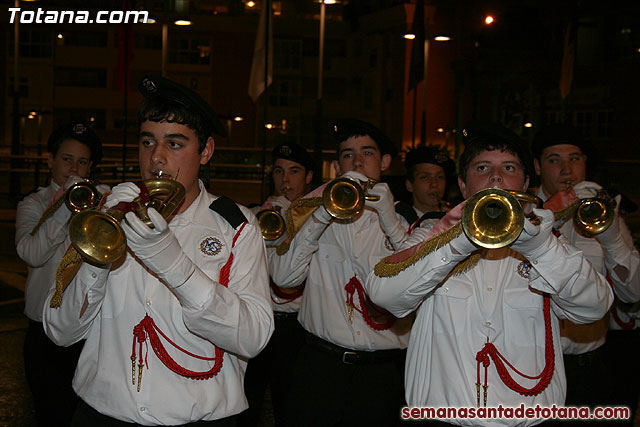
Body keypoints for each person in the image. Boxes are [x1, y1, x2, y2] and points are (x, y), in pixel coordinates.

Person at [42, 76, 274, 426]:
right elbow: (59, 331)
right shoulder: (111, 212)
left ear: (206, 151)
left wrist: (174, 264)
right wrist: (101, 254)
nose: (156, 158)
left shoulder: (236, 226)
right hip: (102, 416)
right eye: (148, 142)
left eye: (175, 144)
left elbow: (254, 337)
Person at [365, 123, 613, 426]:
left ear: (524, 185)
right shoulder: (431, 235)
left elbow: (594, 307)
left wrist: (541, 250)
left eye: (508, 167)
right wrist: (460, 239)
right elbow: (383, 295)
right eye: (483, 167)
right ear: (463, 185)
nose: (496, 177)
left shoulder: (548, 243)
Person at [269, 118, 411, 426]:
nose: (357, 161)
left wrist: (390, 222)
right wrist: (320, 215)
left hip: (382, 373)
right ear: (337, 166)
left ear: (385, 162)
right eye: (348, 154)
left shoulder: (410, 223)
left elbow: (412, 289)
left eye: (367, 153)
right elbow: (283, 279)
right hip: (320, 366)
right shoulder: (311, 214)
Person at [531, 123, 640, 422]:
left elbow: (634, 294)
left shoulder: (605, 210)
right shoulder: (524, 213)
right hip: (531, 364)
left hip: (587, 365)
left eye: (575, 159)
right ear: (537, 167)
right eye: (554, 160)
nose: (567, 170)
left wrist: (611, 236)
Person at [15, 122, 105, 427]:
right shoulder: (34, 203)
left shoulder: (101, 200)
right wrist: (67, 206)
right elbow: (32, 253)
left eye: (82, 162)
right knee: (50, 414)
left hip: (89, 330)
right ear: (50, 160)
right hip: (43, 330)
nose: (74, 168)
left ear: (91, 166)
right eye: (67, 159)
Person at [240, 141, 315, 426]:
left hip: (297, 325)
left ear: (308, 177)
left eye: (294, 172)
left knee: (290, 404)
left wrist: (292, 222)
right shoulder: (257, 213)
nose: (285, 180)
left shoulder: (318, 219)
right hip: (260, 319)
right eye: (279, 171)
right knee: (248, 400)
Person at [395, 146, 456, 230]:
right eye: (425, 177)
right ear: (409, 185)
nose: (434, 184)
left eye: (440, 177)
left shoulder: (454, 220)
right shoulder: (398, 222)